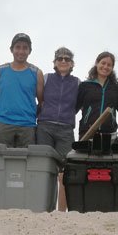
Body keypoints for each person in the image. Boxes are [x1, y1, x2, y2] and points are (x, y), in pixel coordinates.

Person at [37, 47, 80, 211]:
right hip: (44, 126)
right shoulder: (46, 78)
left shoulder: (77, 82)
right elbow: (39, 98)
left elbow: (78, 105)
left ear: (72, 64)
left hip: (65, 129)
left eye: (67, 59)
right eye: (60, 59)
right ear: (54, 62)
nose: (63, 61)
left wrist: (67, 116)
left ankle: (61, 211)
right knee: (44, 168)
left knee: (64, 170)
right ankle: (43, 207)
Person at [0, 33, 44, 148]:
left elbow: (41, 102)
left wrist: (29, 114)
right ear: (11, 49)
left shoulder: (37, 73)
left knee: (27, 163)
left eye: (25, 48)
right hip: (3, 123)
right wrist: (3, 111)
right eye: (18, 47)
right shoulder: (0, 71)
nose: (21, 51)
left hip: (28, 125)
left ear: (30, 51)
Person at [76, 51, 118, 139]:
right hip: (87, 132)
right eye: (103, 63)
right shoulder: (85, 86)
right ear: (97, 63)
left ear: (112, 68)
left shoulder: (116, 88)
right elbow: (75, 107)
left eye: (109, 65)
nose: (105, 67)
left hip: (110, 134)